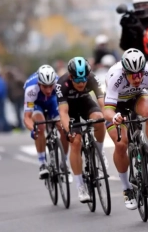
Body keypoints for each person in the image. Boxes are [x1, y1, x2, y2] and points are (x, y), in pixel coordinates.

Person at [103, 48, 148, 210]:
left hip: (137, 97)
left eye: (140, 74)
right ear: (124, 71)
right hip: (116, 105)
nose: (137, 78)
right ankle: (127, 188)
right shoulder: (116, 77)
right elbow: (107, 110)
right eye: (132, 74)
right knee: (121, 144)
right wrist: (114, 117)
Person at [55, 57, 107, 203]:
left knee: (99, 119)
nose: (82, 83)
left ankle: (99, 151)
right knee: (76, 142)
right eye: (77, 80)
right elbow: (63, 113)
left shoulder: (92, 78)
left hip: (85, 103)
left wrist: (108, 117)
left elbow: (102, 103)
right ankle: (80, 186)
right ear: (70, 76)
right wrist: (68, 131)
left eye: (84, 79)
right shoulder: (62, 84)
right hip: (70, 110)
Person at [23, 65, 72, 183]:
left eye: (51, 86)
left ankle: (64, 162)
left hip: (52, 102)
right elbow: (27, 117)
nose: (49, 90)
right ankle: (42, 163)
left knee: (63, 127)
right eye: (45, 87)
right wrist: (32, 129)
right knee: (40, 125)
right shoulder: (31, 89)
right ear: (39, 84)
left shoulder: (59, 84)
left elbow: (65, 111)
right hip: (36, 103)